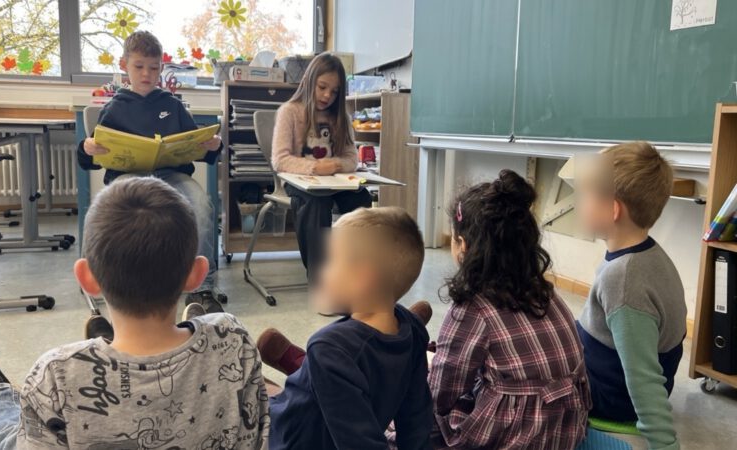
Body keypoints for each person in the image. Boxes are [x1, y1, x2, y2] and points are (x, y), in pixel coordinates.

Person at [0, 177, 269, 449]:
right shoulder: (233, 338)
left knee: (10, 432)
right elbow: (257, 435)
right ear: (197, 274)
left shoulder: (54, 373)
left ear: (86, 279)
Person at [429, 170, 590, 450]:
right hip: (567, 431)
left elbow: (440, 393)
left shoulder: (473, 307)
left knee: (405, 419)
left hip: (513, 437)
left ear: (463, 246)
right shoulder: (546, 293)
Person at [259, 207, 432, 449]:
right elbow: (416, 417)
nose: (321, 271)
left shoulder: (328, 346)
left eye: (329, 261)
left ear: (361, 278)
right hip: (315, 411)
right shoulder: (412, 328)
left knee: (247, 397)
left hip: (282, 438)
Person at [78, 30, 223, 309]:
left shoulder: (173, 105)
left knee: (202, 205)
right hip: (128, 178)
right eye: (139, 66)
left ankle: (202, 289)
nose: (147, 74)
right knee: (105, 209)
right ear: (124, 66)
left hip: (171, 176)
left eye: (154, 68)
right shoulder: (114, 108)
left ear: (161, 68)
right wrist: (87, 148)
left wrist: (214, 144)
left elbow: (200, 149)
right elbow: (89, 159)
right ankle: (100, 280)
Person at [575, 142, 686, 450]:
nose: (578, 203)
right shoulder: (648, 255)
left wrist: (665, 445)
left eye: (585, 195)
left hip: (610, 403)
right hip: (606, 369)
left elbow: (644, 380)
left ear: (612, 209)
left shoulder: (623, 280)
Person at [271, 52, 371, 282]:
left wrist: (336, 164)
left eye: (334, 91)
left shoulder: (340, 117)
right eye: (322, 87)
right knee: (316, 203)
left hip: (335, 181)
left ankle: (355, 268)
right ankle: (320, 278)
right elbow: (280, 159)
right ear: (308, 82)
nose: (327, 95)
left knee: (361, 199)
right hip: (300, 182)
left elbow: (351, 158)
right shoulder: (290, 111)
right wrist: (315, 168)